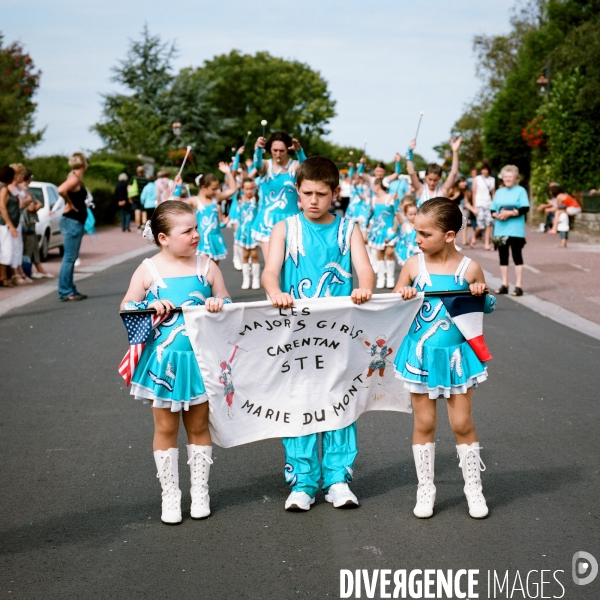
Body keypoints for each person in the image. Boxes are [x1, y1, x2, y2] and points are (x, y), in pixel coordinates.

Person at [262, 156, 375, 512]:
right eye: (306, 193)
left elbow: (366, 271)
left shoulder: (349, 228)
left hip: (338, 333)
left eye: (321, 194)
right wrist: (274, 291)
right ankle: (303, 481)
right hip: (294, 332)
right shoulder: (285, 228)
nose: (313, 200)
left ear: (335, 194)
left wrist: (364, 289)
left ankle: (338, 479)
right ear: (297, 191)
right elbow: (270, 271)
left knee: (338, 402)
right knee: (299, 401)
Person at [121, 201, 231, 524]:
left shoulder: (207, 266)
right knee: (165, 427)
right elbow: (126, 305)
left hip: (199, 362)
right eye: (188, 231)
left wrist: (217, 302)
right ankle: (170, 495)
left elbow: (226, 299)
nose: (196, 235)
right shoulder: (148, 270)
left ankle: (200, 491)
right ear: (163, 238)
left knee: (198, 425)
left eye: (196, 228)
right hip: (163, 362)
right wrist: (150, 303)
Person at [393, 197, 496, 519]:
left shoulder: (469, 268)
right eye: (416, 233)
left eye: (425, 234)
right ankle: (426, 488)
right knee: (424, 422)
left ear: (449, 235)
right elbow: (396, 301)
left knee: (462, 423)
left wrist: (481, 292)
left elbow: (487, 307)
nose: (417, 240)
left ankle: (473, 488)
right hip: (420, 355)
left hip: (457, 356)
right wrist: (404, 294)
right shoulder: (413, 265)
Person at [250, 131, 307, 259]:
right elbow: (257, 165)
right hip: (267, 220)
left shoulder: (294, 166)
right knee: (271, 263)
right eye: (275, 150)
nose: (278, 154)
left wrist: (299, 152)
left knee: (290, 263)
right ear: (269, 149)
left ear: (288, 149)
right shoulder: (266, 165)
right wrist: (258, 149)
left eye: (282, 150)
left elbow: (307, 169)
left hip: (291, 218)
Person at [490, 165, 530, 297]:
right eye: (505, 176)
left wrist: (510, 213)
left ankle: (518, 285)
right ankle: (504, 284)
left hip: (516, 229)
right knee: (503, 256)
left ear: (515, 178)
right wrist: (497, 215)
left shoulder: (521, 191)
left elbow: (525, 208)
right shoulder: (499, 192)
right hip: (500, 229)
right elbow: (492, 209)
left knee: (516, 256)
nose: (507, 179)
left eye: (510, 176)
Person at [186, 164, 236, 265]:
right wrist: (177, 187)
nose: (216, 191)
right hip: (202, 240)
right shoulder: (194, 201)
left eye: (217, 188)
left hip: (215, 238)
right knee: (203, 268)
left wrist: (228, 173)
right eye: (213, 189)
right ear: (203, 187)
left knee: (214, 268)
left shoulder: (215, 198)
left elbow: (232, 190)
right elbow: (175, 203)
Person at [56, 152, 89, 302]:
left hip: (75, 222)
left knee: (71, 257)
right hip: (72, 222)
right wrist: (69, 203)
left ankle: (69, 288)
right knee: (69, 258)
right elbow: (60, 189)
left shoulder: (75, 178)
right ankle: (65, 291)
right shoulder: (74, 179)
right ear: (84, 164)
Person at [407, 137, 462, 207]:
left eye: (435, 180)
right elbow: (411, 173)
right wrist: (409, 152)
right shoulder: (421, 189)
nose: (432, 183)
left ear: (439, 178)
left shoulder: (443, 190)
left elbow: (454, 173)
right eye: (430, 179)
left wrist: (455, 152)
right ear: (425, 176)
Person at [20, 168, 53, 279]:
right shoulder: (23, 191)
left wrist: (37, 205)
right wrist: (36, 205)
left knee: (33, 246)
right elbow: (31, 207)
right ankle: (27, 271)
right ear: (29, 177)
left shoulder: (28, 190)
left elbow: (39, 204)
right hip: (27, 222)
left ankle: (36, 269)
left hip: (31, 222)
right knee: (28, 247)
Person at [367, 178, 397, 289]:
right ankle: (381, 277)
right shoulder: (374, 199)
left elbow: (397, 213)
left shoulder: (391, 198)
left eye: (373, 185)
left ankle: (390, 277)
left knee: (389, 252)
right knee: (379, 254)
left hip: (389, 230)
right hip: (377, 231)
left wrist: (395, 228)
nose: (372, 188)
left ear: (377, 185)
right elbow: (372, 214)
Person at [234, 177, 260, 290]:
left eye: (251, 188)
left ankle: (256, 279)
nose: (249, 191)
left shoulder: (256, 199)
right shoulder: (240, 199)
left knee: (254, 254)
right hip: (244, 231)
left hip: (253, 230)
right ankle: (246, 279)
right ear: (242, 189)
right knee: (245, 255)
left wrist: (258, 189)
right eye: (247, 189)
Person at [0, 166, 20, 287]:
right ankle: (3, 277)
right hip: (3, 225)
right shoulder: (3, 189)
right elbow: (2, 207)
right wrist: (11, 225)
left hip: (3, 224)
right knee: (6, 251)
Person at [470, 160, 496, 250]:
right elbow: (473, 193)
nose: (484, 171)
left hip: (489, 203)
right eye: (483, 169)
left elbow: (493, 193)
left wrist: (495, 205)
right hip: (479, 204)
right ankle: (474, 237)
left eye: (486, 169)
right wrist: (474, 206)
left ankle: (486, 244)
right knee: (480, 225)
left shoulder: (492, 180)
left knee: (488, 224)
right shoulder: (477, 179)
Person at [395, 199, 418, 266]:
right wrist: (395, 201)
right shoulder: (404, 224)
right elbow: (397, 213)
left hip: (417, 251)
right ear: (405, 214)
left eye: (415, 214)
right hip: (406, 251)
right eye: (411, 214)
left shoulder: (420, 225)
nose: (414, 216)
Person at [129, 166, 149, 232]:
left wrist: (130, 197)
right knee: (144, 211)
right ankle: (143, 224)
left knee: (137, 212)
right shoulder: (145, 179)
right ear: (143, 171)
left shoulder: (134, 178)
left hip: (135, 198)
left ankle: (138, 227)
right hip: (144, 199)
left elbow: (129, 187)